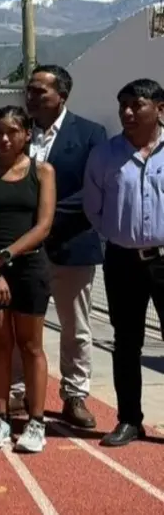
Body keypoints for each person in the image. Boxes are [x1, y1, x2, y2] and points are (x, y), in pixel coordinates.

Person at [9, 64, 107, 429]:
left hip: (71, 244)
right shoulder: (17, 132)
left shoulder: (90, 134)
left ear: (62, 96)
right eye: (29, 90)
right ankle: (18, 391)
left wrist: (44, 220)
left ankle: (74, 394)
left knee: (75, 327)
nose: (31, 97)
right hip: (22, 249)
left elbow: (92, 191)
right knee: (21, 324)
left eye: (40, 91)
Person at [0, 107, 55, 453]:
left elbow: (42, 226)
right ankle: (0, 417)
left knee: (31, 346)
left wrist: (3, 257)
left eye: (12, 131)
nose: (4, 138)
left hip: (29, 268)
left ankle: (36, 421)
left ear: (27, 134)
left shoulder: (43, 172)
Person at [83, 78, 164, 448]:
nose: (127, 112)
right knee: (126, 343)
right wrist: (119, 236)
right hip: (122, 262)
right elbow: (94, 208)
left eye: (136, 104)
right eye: (123, 105)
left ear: (159, 110)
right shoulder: (105, 155)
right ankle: (130, 420)